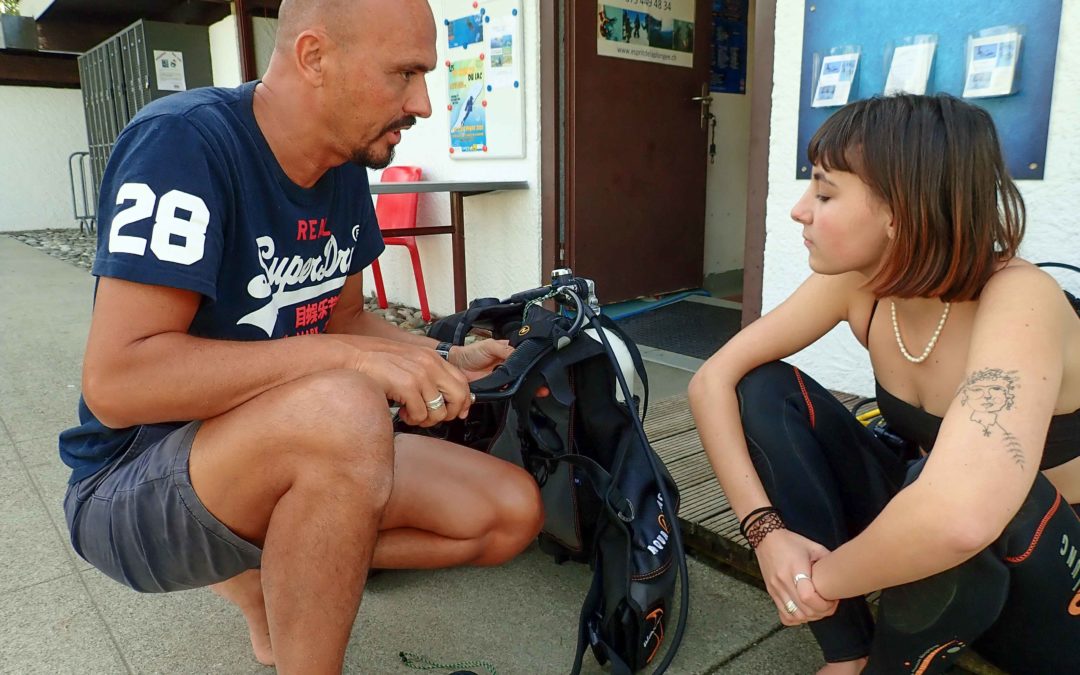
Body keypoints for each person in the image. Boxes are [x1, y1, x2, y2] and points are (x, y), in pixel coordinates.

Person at [57, 1, 544, 673]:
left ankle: (277, 582)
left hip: (271, 443)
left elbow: (342, 321)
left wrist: (443, 356)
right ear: (315, 56)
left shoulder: (344, 164)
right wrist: (345, 361)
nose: (425, 103)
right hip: (130, 482)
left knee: (509, 511)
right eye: (404, 73)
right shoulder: (184, 144)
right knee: (344, 410)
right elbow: (115, 383)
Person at [688, 94, 1080, 674]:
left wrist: (816, 581)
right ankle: (847, 652)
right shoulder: (861, 283)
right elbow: (713, 380)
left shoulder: (1022, 299)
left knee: (958, 488)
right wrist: (766, 534)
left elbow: (960, 518)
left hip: (1047, 578)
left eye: (824, 193)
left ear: (901, 211)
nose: (800, 210)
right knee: (762, 388)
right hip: (939, 555)